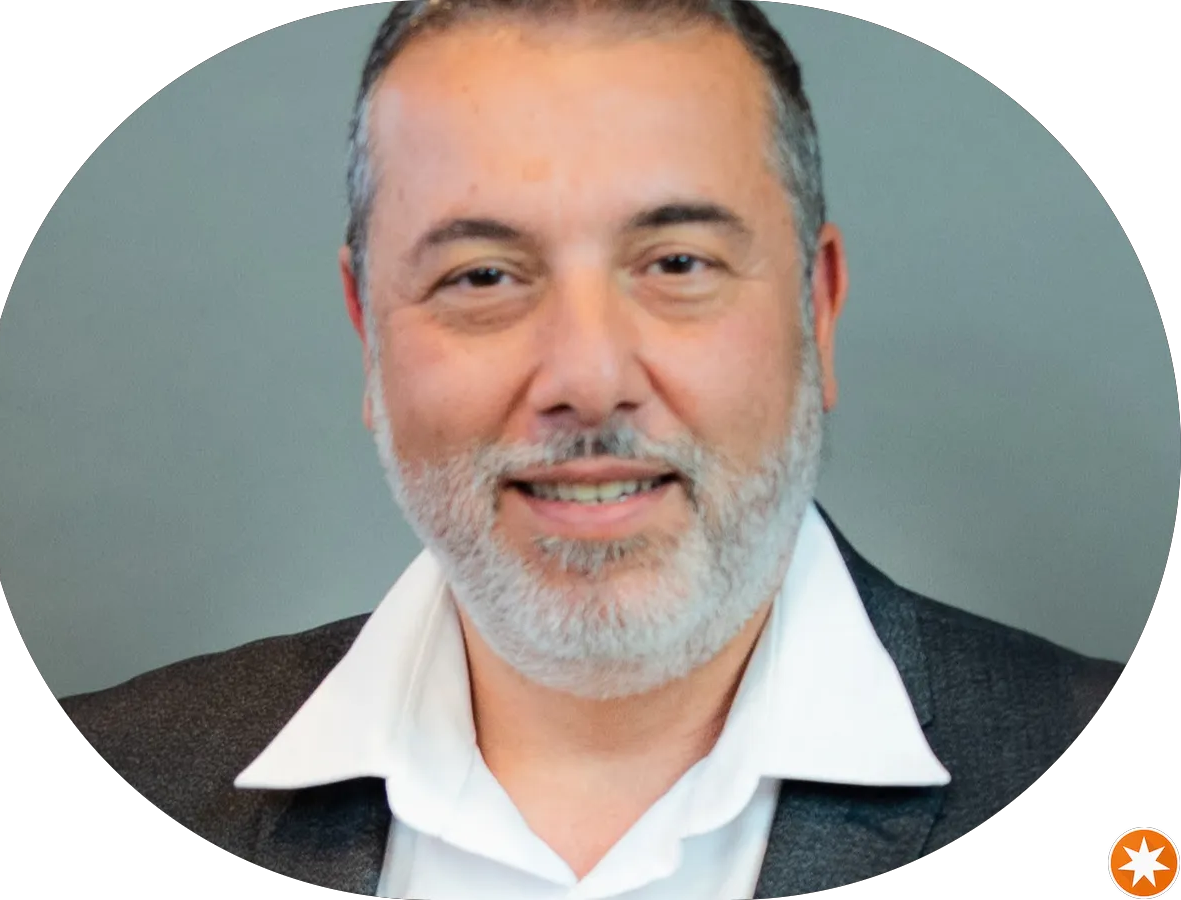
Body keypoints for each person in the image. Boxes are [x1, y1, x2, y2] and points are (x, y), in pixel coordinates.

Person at [59, 2, 1124, 897]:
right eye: (483, 277)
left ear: (818, 311)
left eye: (676, 263)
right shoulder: (131, 763)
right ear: (367, 336)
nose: (587, 377)